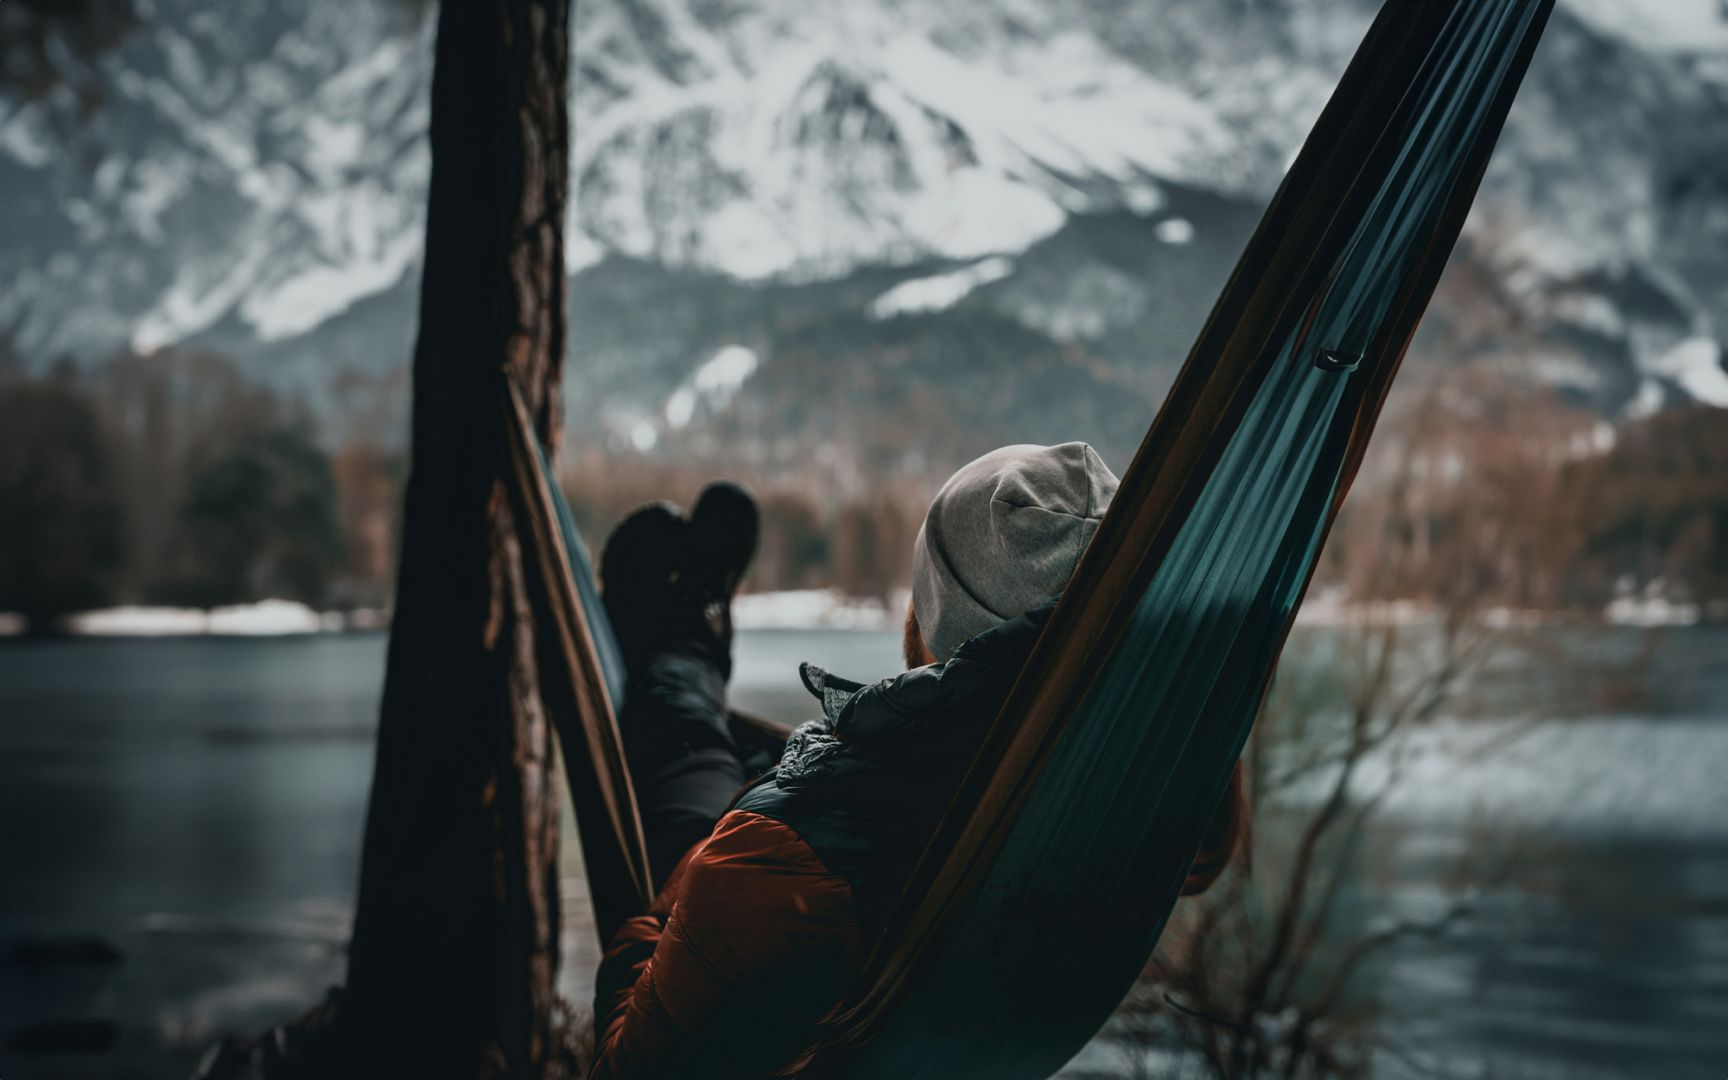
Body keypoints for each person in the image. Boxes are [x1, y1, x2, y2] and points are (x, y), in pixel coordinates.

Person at [590, 443, 1246, 1080]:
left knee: (687, 743)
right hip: (860, 906)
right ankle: (697, 633)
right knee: (748, 750)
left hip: (777, 913)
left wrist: (686, 886)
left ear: (930, 622)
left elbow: (627, 1065)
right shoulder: (1159, 798)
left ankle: (683, 641)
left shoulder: (772, 870)